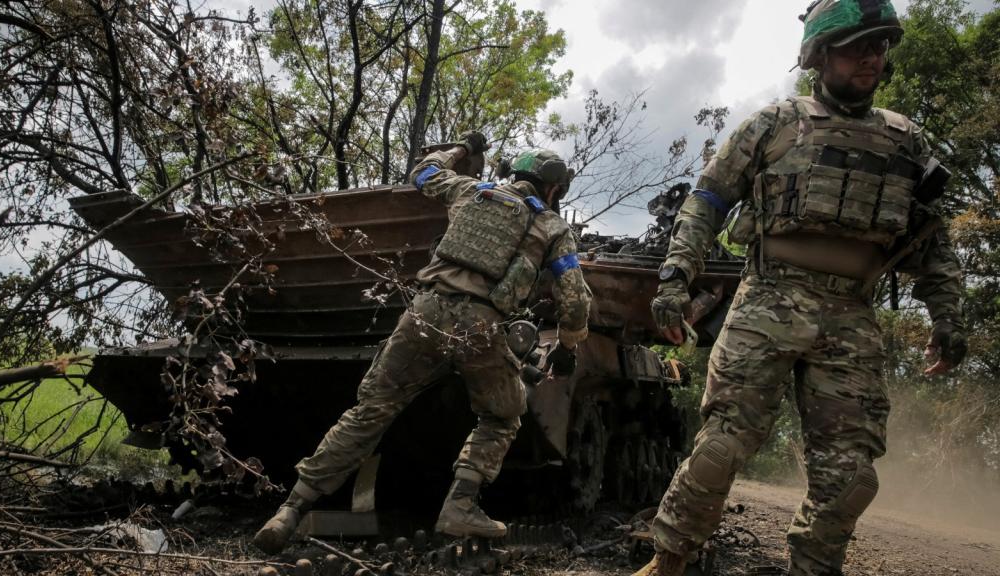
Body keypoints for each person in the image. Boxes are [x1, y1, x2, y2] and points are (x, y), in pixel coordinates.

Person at [638, 1, 967, 575]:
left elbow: (933, 244)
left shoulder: (907, 142)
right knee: (720, 451)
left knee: (851, 477)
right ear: (819, 54)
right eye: (857, 45)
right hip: (768, 299)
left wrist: (948, 318)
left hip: (851, 316)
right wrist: (675, 276)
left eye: (881, 45)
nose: (872, 56)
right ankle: (669, 560)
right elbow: (706, 201)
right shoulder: (773, 125)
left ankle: (813, 568)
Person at [252, 133, 592, 555]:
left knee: (369, 412)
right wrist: (568, 345)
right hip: (480, 327)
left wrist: (464, 149)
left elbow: (423, 172)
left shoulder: (471, 191)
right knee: (503, 415)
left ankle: (290, 509)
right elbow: (575, 301)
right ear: (554, 189)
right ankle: (461, 505)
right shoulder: (552, 226)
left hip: (424, 313)